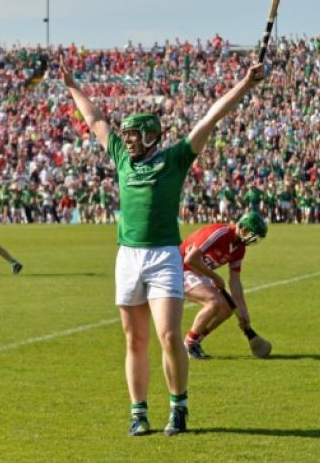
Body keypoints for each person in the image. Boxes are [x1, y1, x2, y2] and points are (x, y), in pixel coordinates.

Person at [59, 56, 264, 437]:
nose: (128, 139)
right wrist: (72, 86)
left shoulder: (174, 159)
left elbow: (210, 119)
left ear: (152, 135)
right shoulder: (121, 156)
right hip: (128, 256)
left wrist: (245, 85)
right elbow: (95, 120)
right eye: (128, 135)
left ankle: (179, 408)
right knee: (134, 339)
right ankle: (138, 412)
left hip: (164, 257)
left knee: (169, 336)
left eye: (135, 135)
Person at [181, 212, 268, 360]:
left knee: (228, 308)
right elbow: (190, 259)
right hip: (180, 269)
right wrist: (214, 276)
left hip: (199, 273)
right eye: (252, 234)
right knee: (213, 302)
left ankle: (196, 340)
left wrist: (243, 312)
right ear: (244, 229)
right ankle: (188, 345)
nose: (253, 239)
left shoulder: (239, 249)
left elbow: (235, 281)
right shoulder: (219, 233)